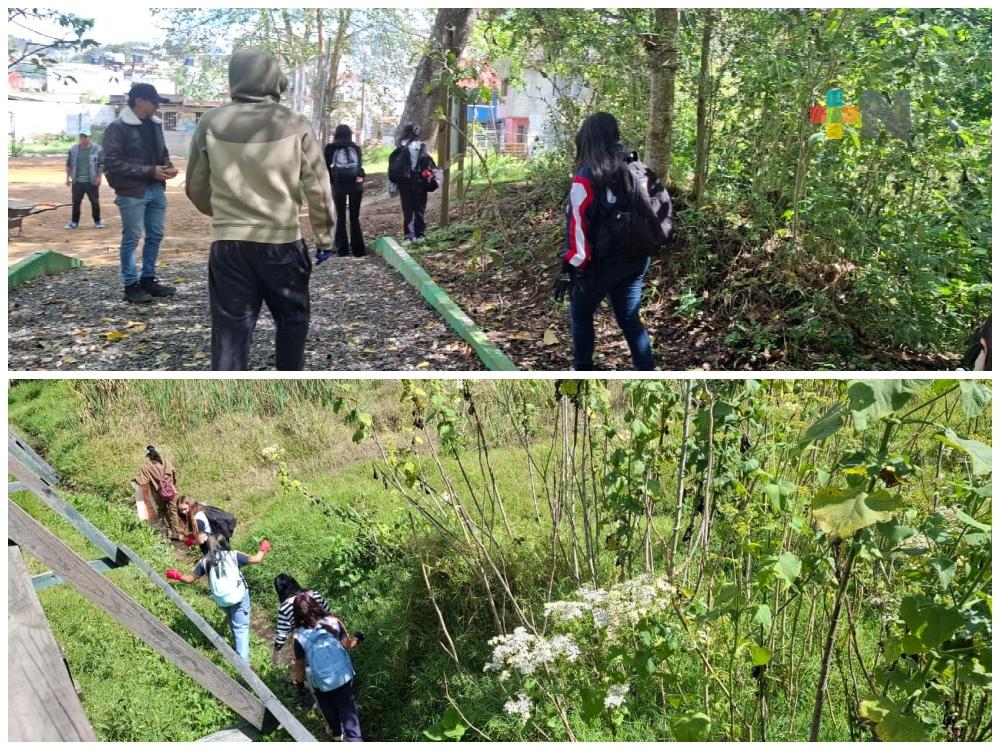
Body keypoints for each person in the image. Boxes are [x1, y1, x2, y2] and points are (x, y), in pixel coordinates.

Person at [185, 48, 336, 372]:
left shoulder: (211, 122)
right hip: (282, 245)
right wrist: (325, 238)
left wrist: (228, 218)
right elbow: (319, 189)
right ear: (272, 79)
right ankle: (291, 383)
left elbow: (195, 188)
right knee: (293, 322)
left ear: (234, 79)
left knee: (230, 335)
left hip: (229, 248)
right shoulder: (294, 123)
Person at [558, 112, 655, 371]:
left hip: (601, 262)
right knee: (629, 318)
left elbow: (577, 225)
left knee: (580, 313)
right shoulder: (634, 166)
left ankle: (581, 369)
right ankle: (646, 370)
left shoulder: (587, 175)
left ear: (587, 138)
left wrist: (573, 264)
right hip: (635, 256)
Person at [102, 82, 178, 304]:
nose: (157, 107)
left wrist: (166, 167)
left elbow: (162, 153)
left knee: (155, 235)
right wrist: (149, 171)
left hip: (155, 188)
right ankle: (130, 284)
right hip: (132, 191)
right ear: (139, 101)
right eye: (154, 102)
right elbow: (111, 163)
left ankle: (148, 279)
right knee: (132, 237)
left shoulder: (154, 125)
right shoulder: (117, 128)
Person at [166, 534, 272, 662]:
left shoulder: (205, 561)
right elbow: (257, 559)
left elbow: (189, 579)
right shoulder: (233, 555)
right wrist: (264, 546)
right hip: (238, 596)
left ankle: (237, 650)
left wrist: (175, 575)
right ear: (224, 544)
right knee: (241, 629)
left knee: (233, 621)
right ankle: (244, 670)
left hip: (221, 600)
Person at [292, 593, 363, 740]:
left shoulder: (299, 636)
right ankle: (355, 739)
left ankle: (337, 734)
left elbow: (299, 666)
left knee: (328, 708)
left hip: (321, 681)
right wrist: (358, 638)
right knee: (348, 708)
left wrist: (299, 683)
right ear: (315, 605)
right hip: (342, 676)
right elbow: (348, 644)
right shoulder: (333, 621)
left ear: (297, 614)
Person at [324, 124, 367, 257]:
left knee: (340, 216)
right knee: (354, 217)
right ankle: (358, 249)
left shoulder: (330, 148)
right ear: (350, 134)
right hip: (355, 185)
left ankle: (341, 249)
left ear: (336, 134)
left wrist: (331, 181)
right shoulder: (355, 148)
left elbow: (325, 168)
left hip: (338, 185)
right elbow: (359, 166)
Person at [389, 123, 434, 244]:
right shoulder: (422, 146)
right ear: (417, 133)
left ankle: (408, 236)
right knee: (419, 209)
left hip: (404, 182)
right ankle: (420, 235)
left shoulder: (400, 147)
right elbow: (430, 164)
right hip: (420, 181)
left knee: (407, 209)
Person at [132, 445, 182, 540]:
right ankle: (177, 533)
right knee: (174, 511)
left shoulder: (146, 466)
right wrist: (173, 485)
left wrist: (135, 479)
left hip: (159, 493)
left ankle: (169, 531)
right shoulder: (166, 461)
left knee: (163, 511)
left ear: (147, 455)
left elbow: (143, 481)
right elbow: (174, 474)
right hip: (171, 491)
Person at [65, 131, 105, 229]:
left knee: (95, 202)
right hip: (77, 181)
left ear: (90, 137)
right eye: (81, 137)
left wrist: (99, 177)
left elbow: (101, 164)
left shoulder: (97, 149)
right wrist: (67, 178)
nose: (83, 139)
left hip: (91, 181)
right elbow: (68, 164)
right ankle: (74, 222)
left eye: (85, 137)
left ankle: (97, 221)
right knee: (76, 203)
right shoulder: (73, 150)